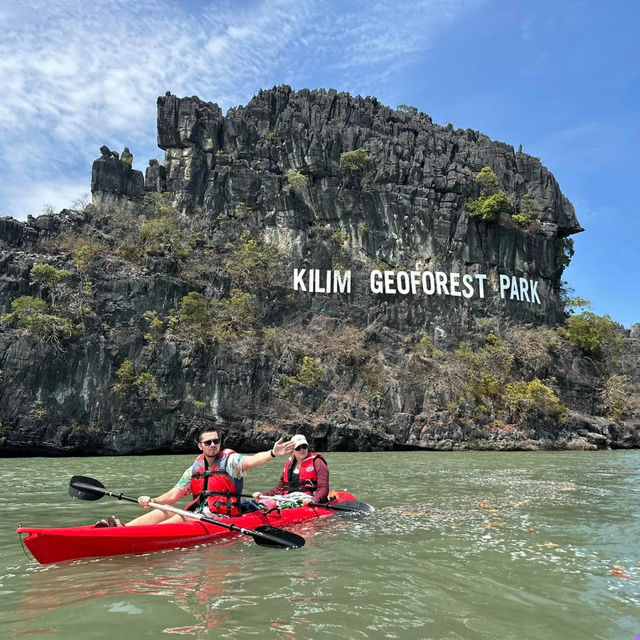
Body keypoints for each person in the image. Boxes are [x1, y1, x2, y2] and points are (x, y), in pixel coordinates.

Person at [120, 429, 295, 527]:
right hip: (200, 513)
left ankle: (146, 536)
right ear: (200, 446)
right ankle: (124, 530)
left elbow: (253, 460)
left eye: (216, 441)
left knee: (182, 517)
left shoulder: (231, 461)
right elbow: (173, 495)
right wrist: (153, 499)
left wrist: (272, 453)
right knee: (164, 509)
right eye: (208, 443)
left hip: (224, 518)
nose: (213, 445)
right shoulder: (194, 469)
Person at [252, 434, 329, 506]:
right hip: (289, 498)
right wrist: (263, 495)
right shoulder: (289, 464)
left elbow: (323, 488)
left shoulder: (318, 462)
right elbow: (279, 489)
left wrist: (314, 500)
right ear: (292, 450)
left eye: (304, 446)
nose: (302, 450)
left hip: (308, 500)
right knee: (262, 503)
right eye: (298, 447)